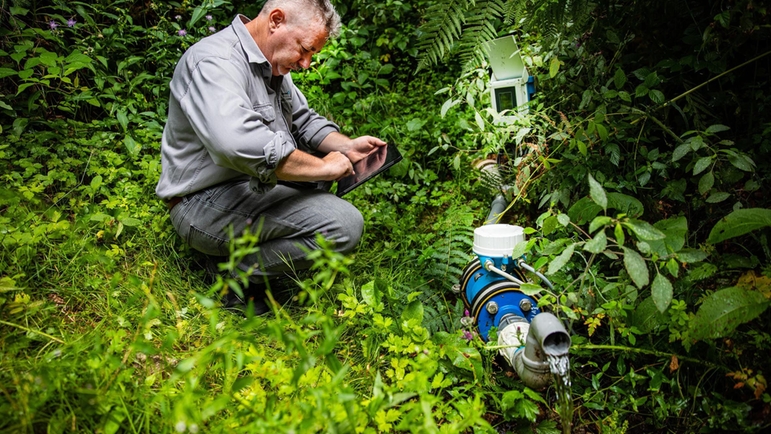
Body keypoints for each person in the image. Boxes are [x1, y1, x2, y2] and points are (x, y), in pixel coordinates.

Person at [156, 0, 386, 314]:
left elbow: (303, 120)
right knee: (343, 225)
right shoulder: (214, 61)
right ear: (276, 20)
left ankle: (239, 258)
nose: (306, 63)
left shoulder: (272, 62)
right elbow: (235, 144)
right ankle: (233, 278)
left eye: (312, 54)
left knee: (316, 183)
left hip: (248, 186)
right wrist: (321, 166)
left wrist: (346, 147)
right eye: (304, 49)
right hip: (201, 203)